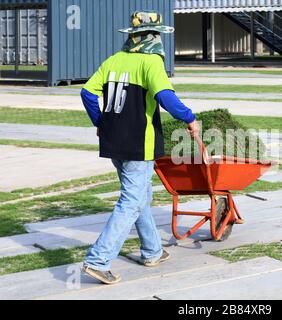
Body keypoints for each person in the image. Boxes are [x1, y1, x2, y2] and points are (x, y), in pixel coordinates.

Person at [80, 11, 200, 285]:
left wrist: (99, 122)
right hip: (138, 143)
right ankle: (98, 261)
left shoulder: (114, 60)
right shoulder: (151, 62)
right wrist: (190, 118)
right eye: (156, 35)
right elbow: (166, 98)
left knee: (139, 197)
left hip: (113, 141)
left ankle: (152, 250)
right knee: (131, 201)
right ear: (152, 37)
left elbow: (87, 93)